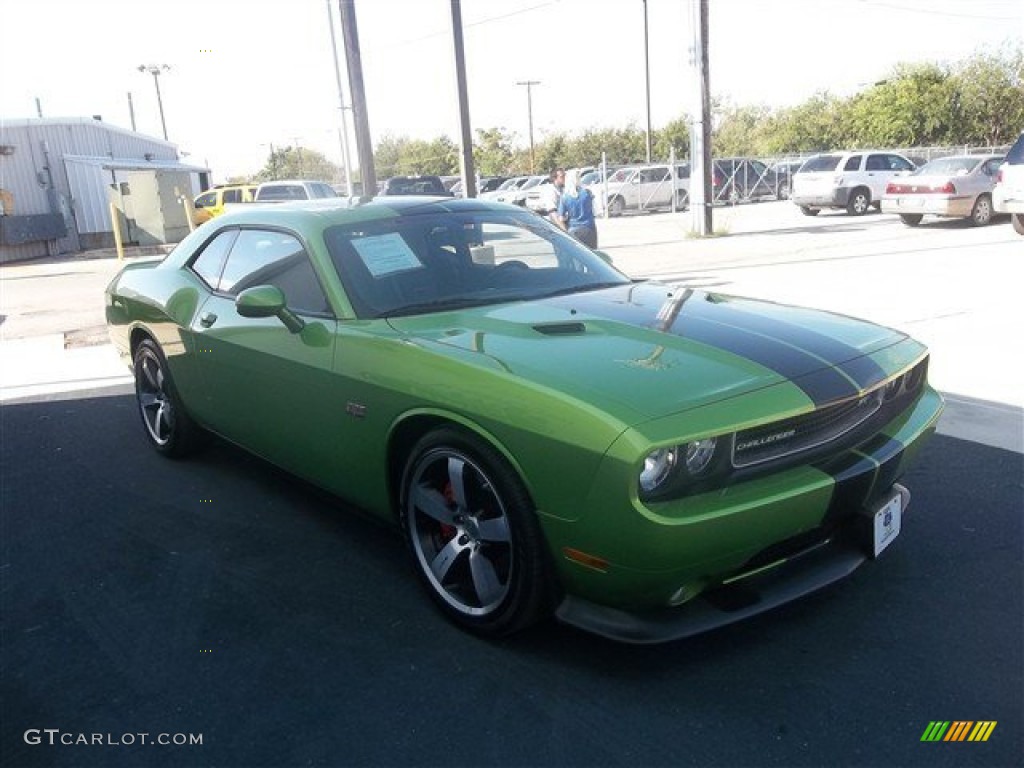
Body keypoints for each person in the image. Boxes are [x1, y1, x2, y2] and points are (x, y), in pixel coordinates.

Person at [556, 169, 598, 248]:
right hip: (589, 227)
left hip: (574, 230)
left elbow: (561, 218)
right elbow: (595, 210)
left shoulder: (565, 197)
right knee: (592, 254)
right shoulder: (587, 192)